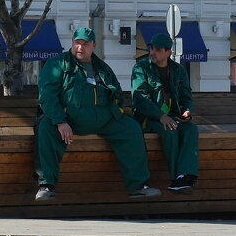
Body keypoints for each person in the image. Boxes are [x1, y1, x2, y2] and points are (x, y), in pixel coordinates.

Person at [34, 26, 160, 200]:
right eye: (77, 43)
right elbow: (47, 96)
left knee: (131, 128)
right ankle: (46, 185)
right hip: (69, 120)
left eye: (85, 44)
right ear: (72, 43)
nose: (80, 47)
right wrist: (60, 121)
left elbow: (116, 93)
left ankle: (138, 185)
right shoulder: (57, 64)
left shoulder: (103, 68)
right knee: (45, 126)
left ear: (94, 45)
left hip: (104, 120)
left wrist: (115, 111)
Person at [131, 32, 199, 193]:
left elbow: (185, 95)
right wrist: (161, 116)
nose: (152, 52)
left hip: (172, 117)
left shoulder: (179, 70)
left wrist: (187, 111)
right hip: (148, 118)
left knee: (191, 129)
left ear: (168, 52)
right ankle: (177, 178)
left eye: (158, 50)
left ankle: (186, 175)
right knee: (170, 131)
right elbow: (139, 99)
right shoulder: (141, 68)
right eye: (151, 48)